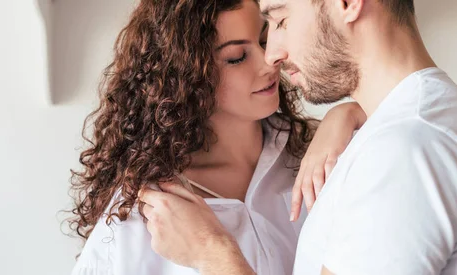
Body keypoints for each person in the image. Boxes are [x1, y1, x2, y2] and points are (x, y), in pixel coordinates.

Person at [138, 0, 457, 274]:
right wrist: (351, 114)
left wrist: (214, 255)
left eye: (282, 20)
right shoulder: (437, 117)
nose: (273, 54)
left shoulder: (404, 153)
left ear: (348, 3)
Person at [68, 0, 371, 274]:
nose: (270, 61)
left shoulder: (325, 150)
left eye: (266, 39)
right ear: (186, 77)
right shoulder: (148, 210)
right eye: (237, 57)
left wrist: (346, 114)